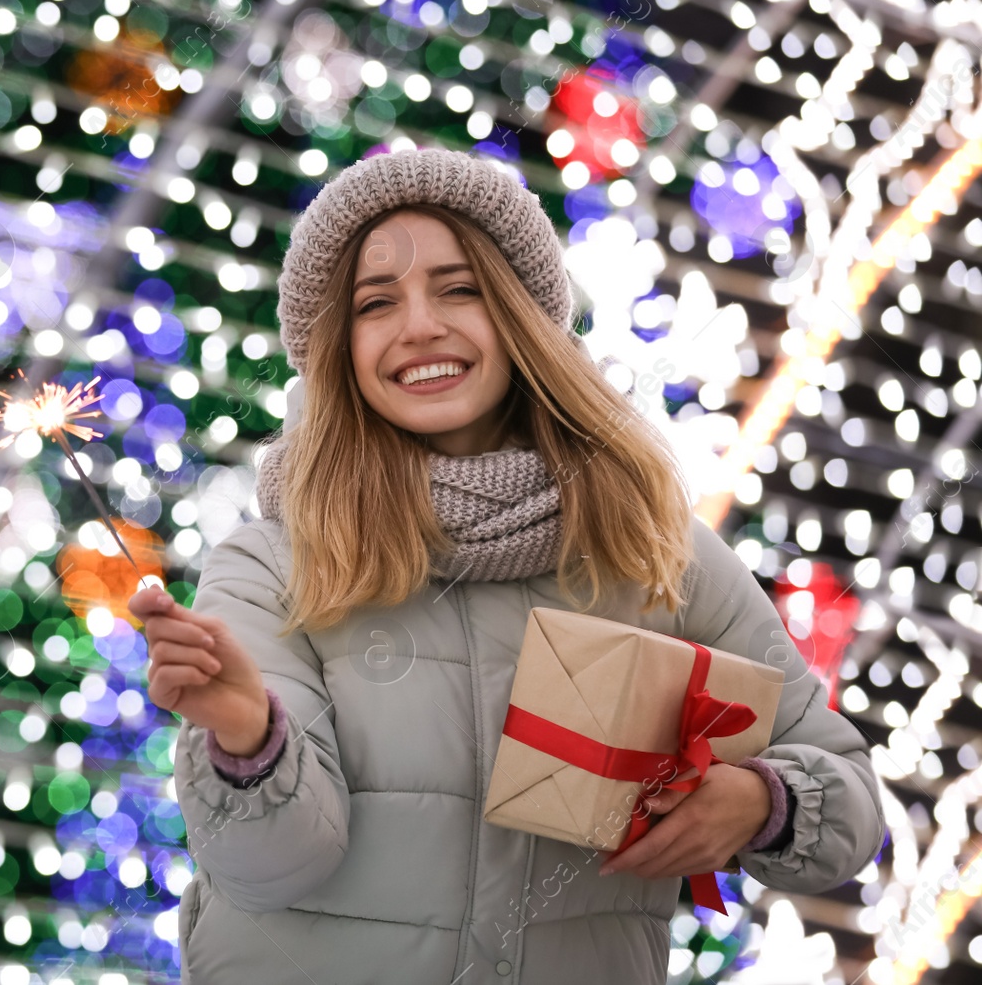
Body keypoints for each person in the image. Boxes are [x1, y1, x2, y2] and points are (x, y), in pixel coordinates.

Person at [129, 148, 886, 984]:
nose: (420, 326)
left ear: (523, 316)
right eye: (376, 304)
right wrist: (248, 739)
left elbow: (847, 799)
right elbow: (270, 867)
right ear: (338, 350)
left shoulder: (654, 552)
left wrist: (760, 804)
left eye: (460, 289)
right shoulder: (275, 565)